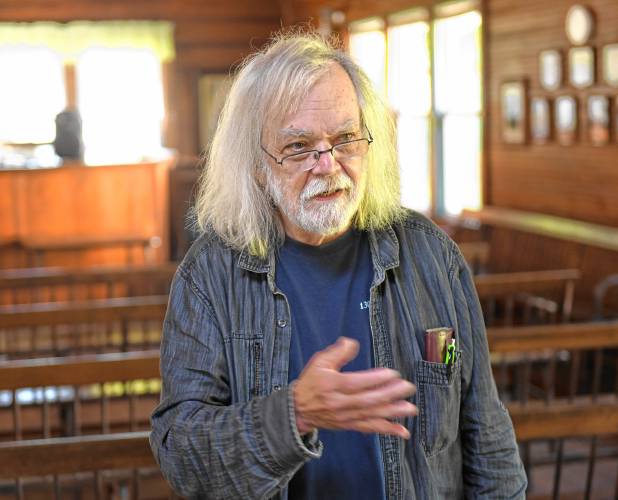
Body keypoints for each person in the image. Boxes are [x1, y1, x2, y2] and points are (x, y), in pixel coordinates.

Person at [150, 31, 526, 499]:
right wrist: (293, 416)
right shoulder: (209, 277)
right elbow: (181, 453)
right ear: (255, 164)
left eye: (346, 139)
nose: (328, 165)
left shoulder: (432, 256)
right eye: (299, 147)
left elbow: (485, 429)